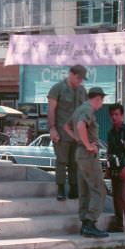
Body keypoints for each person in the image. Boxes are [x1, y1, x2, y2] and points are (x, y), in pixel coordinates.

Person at [66, 86, 109, 238]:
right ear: (97, 99)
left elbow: (66, 126)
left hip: (79, 153)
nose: (102, 105)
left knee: (84, 190)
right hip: (88, 154)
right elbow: (80, 125)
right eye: (102, 101)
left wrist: (79, 140)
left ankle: (85, 225)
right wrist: (88, 144)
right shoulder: (88, 110)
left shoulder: (79, 109)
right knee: (99, 189)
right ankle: (90, 223)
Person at [47, 65, 88, 201]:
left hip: (77, 134)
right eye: (78, 78)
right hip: (61, 133)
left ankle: (74, 188)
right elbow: (51, 110)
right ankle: (60, 189)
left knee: (75, 162)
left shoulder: (82, 91)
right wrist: (52, 128)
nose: (80, 81)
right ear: (71, 74)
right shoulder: (58, 88)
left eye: (82, 79)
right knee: (62, 161)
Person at [106, 102, 125, 235]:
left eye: (116, 114)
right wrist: (107, 168)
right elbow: (109, 151)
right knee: (115, 197)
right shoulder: (111, 132)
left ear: (122, 115)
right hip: (114, 168)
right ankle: (119, 225)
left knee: (123, 197)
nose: (114, 117)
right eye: (112, 115)